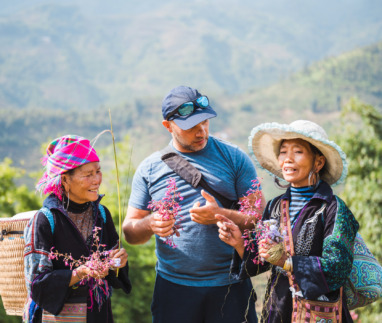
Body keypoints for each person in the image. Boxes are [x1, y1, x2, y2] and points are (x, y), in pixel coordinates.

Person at [123, 85, 265, 323]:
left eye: (205, 122)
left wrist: (219, 213)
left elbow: (257, 220)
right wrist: (150, 223)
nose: (201, 132)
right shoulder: (149, 169)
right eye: (191, 127)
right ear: (168, 126)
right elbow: (130, 233)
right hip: (174, 289)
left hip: (230, 285)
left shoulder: (235, 158)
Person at [217, 120, 359, 322]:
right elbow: (263, 262)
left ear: (318, 162)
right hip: (279, 309)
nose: (288, 159)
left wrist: (287, 262)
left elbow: (337, 268)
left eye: (298, 151)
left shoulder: (333, 209)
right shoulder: (275, 206)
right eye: (283, 152)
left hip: (319, 313)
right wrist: (239, 242)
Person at [24, 135, 131, 323]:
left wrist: (118, 262)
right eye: (88, 174)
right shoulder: (45, 220)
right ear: (65, 180)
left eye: (98, 171)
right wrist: (80, 272)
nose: (97, 180)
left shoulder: (102, 214)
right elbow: (37, 285)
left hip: (99, 315)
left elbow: (115, 274)